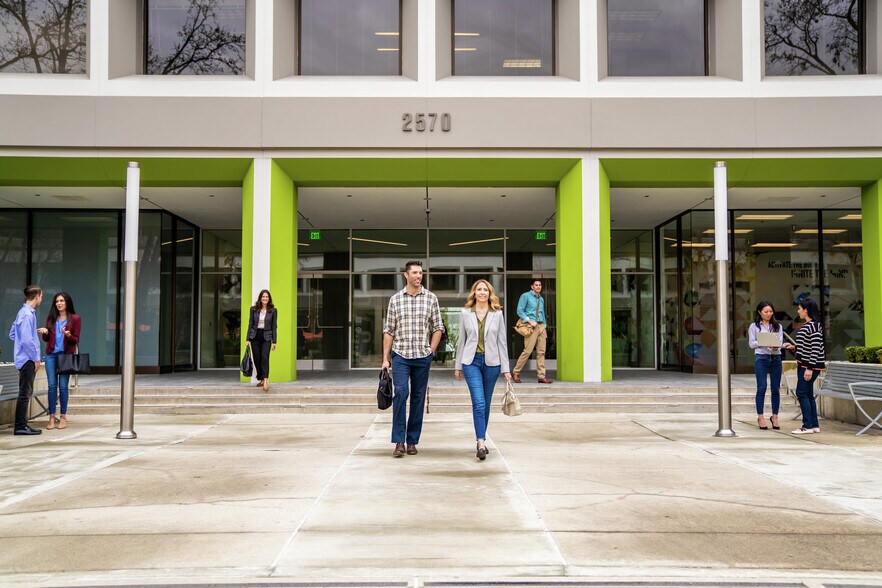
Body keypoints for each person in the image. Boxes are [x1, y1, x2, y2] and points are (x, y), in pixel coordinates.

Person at [381, 260, 444, 458]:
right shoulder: (395, 299)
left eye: (421, 273)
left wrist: (431, 350)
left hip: (422, 357)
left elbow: (438, 327)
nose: (418, 276)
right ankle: (399, 440)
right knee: (400, 393)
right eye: (415, 273)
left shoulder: (431, 298)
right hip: (400, 355)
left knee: (418, 398)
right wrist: (385, 359)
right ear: (406, 275)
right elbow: (389, 330)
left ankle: (412, 441)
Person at [454, 279, 512, 460]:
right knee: (478, 402)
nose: (482, 292)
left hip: (492, 364)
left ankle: (481, 438)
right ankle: (480, 442)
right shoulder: (465, 313)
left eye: (485, 290)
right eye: (478, 289)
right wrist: (458, 366)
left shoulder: (497, 313)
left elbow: (502, 342)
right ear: (474, 292)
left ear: (489, 293)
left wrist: (506, 369)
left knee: (486, 403)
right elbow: (461, 341)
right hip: (470, 362)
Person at [783, 299, 826, 435]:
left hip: (809, 366)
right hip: (804, 364)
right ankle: (814, 425)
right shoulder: (809, 325)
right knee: (807, 394)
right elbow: (806, 345)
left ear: (806, 310)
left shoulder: (813, 325)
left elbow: (815, 348)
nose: (798, 311)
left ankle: (807, 426)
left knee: (801, 393)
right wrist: (794, 347)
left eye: (799, 308)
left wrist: (809, 368)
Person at [8, 285, 45, 436]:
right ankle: (20, 426)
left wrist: (30, 333)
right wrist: (36, 358)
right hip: (27, 360)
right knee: (25, 393)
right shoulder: (27, 315)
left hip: (24, 358)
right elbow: (25, 341)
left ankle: (22, 425)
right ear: (37, 296)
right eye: (41, 296)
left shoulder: (22, 313)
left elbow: (13, 334)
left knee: (25, 392)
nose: (41, 298)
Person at [42, 292, 81, 430]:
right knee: (52, 386)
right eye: (57, 301)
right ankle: (52, 416)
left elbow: (76, 340)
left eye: (62, 301)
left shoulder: (75, 319)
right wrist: (45, 333)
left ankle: (63, 416)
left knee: (63, 386)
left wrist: (68, 335)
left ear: (67, 303)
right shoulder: (51, 318)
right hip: (51, 355)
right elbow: (46, 340)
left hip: (65, 356)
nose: (59, 303)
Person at [748, 300, 783, 431]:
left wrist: (775, 346)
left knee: (775, 388)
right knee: (761, 387)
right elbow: (751, 344)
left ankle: (775, 416)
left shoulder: (777, 326)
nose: (769, 314)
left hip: (775, 357)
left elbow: (779, 342)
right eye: (766, 312)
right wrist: (762, 342)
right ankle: (760, 417)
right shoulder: (754, 326)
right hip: (761, 357)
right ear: (759, 312)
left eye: (770, 311)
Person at [512, 279, 553, 384]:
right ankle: (515, 372)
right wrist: (529, 321)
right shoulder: (525, 296)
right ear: (532, 286)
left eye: (540, 285)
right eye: (536, 285)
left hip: (541, 326)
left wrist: (544, 324)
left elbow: (542, 312)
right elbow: (519, 310)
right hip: (531, 326)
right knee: (527, 351)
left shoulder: (541, 299)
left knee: (541, 352)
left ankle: (541, 376)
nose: (538, 286)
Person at [245, 289, 277, 392]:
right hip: (255, 336)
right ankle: (261, 378)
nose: (265, 298)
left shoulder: (273, 310)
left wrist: (275, 341)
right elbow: (250, 324)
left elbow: (274, 327)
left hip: (267, 336)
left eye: (267, 297)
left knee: (264, 357)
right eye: (263, 297)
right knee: (257, 358)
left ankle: (266, 380)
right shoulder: (253, 309)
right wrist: (247, 339)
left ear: (269, 298)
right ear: (260, 298)